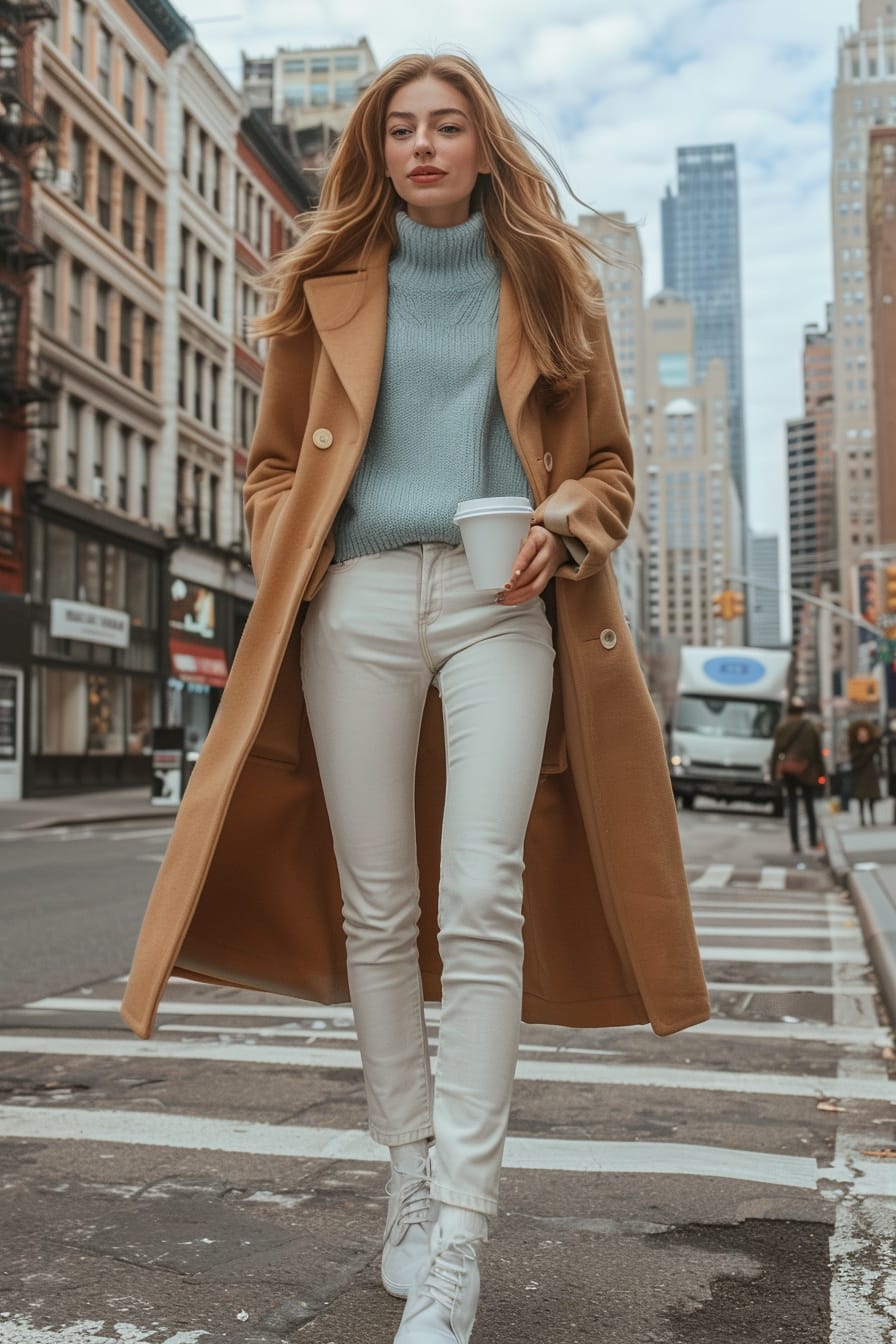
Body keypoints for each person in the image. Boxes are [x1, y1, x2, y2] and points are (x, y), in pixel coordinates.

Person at [121, 52, 709, 1344]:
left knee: (479, 896)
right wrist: (298, 550)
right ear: (379, 152)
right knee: (378, 905)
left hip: (505, 599)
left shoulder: (552, 285)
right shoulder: (324, 286)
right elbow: (270, 468)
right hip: (362, 603)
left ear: (484, 147)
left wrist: (563, 516)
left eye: (449, 126)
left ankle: (459, 1229)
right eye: (404, 129)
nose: (426, 145)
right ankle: (405, 1170)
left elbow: (609, 462)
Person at [771, 697, 824, 855]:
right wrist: (822, 775)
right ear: (802, 712)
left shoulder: (783, 727)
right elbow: (817, 753)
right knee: (809, 805)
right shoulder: (810, 727)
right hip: (807, 770)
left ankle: (795, 843)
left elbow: (776, 751)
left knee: (792, 804)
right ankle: (813, 840)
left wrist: (774, 772)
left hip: (789, 770)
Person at [850, 719, 882, 826]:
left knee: (871, 797)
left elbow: (876, 748)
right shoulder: (854, 746)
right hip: (859, 774)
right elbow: (855, 759)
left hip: (870, 773)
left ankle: (872, 817)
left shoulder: (872, 745)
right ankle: (862, 818)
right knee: (861, 798)